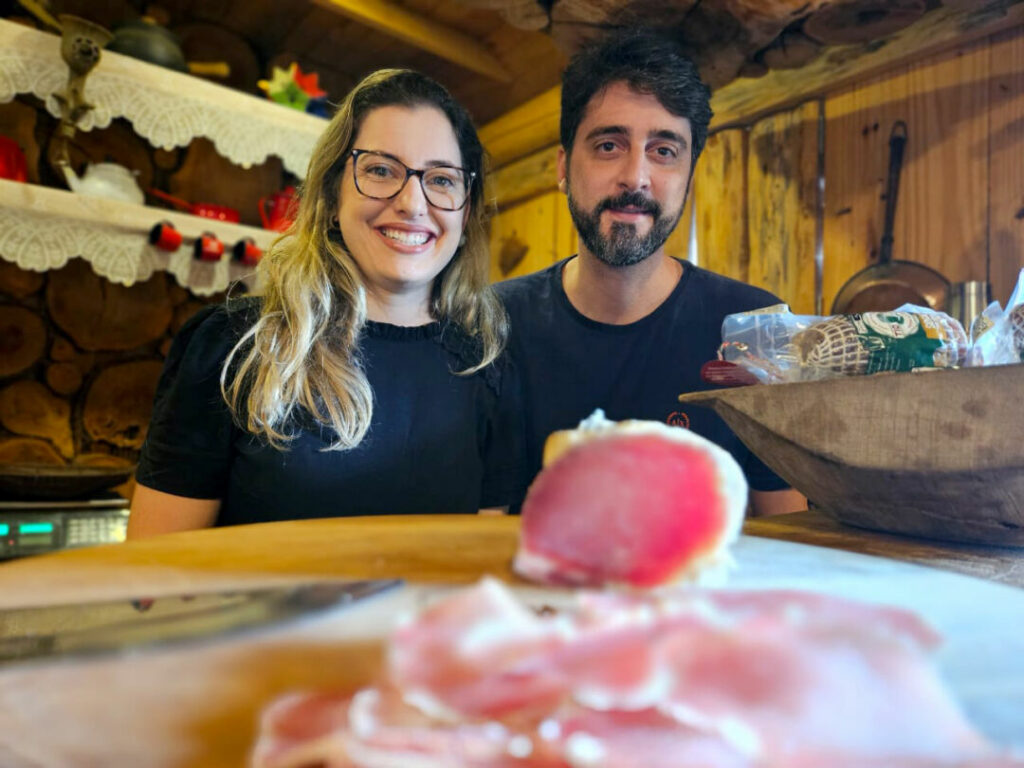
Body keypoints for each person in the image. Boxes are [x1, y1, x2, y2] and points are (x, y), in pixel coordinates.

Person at [128, 69, 520, 537]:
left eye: (441, 179)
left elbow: (479, 556)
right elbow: (155, 567)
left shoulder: (487, 364)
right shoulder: (232, 345)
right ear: (333, 194)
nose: (413, 203)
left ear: (466, 210)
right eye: (380, 170)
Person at [496, 28, 805, 517]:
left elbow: (789, 524)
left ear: (688, 178)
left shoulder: (754, 325)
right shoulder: (495, 322)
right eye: (608, 145)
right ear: (563, 167)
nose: (635, 177)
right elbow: (480, 522)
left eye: (664, 151)